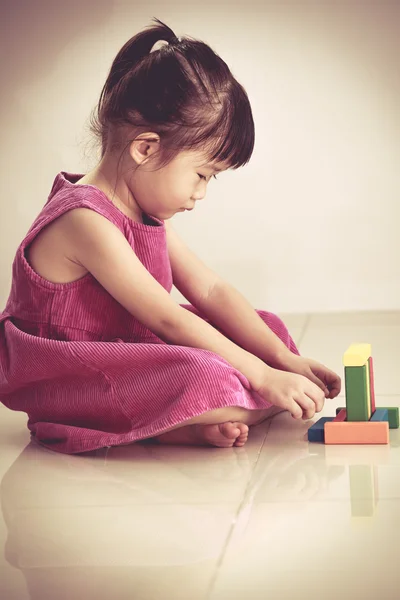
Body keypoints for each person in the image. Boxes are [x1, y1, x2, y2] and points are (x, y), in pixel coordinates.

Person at [0, 18, 341, 455]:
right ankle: (215, 407)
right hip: (76, 376)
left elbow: (211, 290)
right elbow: (168, 319)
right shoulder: (84, 220)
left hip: (131, 352)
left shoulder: (143, 210)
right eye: (202, 175)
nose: (200, 193)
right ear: (146, 148)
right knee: (210, 375)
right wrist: (263, 377)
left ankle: (185, 420)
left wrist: (283, 361)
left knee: (267, 329)